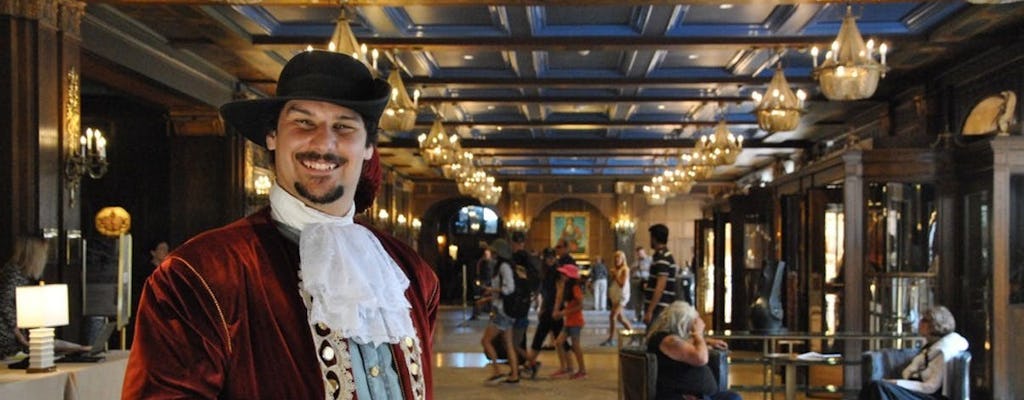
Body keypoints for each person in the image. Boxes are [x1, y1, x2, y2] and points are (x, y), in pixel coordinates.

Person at [123, 51, 439, 399]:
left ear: (368, 147)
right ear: (272, 135)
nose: (323, 143)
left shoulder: (410, 273)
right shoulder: (199, 275)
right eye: (303, 123)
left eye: (344, 126)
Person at [1, 235, 89, 359]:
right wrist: (18, 333)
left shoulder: (21, 273)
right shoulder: (14, 272)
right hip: (7, 336)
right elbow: (4, 303)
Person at [859, 305, 969, 400]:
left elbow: (930, 387)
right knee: (870, 386)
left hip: (928, 396)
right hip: (917, 390)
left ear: (936, 324)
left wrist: (896, 383)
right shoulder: (930, 346)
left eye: (925, 320)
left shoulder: (944, 350)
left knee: (879, 387)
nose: (920, 322)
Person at [646, 301, 739, 400]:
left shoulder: (669, 338)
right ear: (681, 323)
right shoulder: (668, 340)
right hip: (681, 395)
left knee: (733, 396)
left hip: (698, 394)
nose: (690, 330)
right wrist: (698, 334)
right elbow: (701, 358)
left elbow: (685, 342)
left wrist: (708, 341)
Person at [478, 239, 521, 384]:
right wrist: (489, 297)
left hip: (502, 311)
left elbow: (509, 289)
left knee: (486, 341)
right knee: (508, 344)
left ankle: (497, 371)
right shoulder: (502, 266)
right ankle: (514, 375)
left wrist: (492, 290)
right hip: (504, 310)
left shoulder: (504, 267)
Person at [525, 247, 563, 378]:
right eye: (548, 257)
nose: (550, 260)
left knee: (555, 339)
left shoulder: (557, 272)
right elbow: (545, 293)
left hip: (554, 310)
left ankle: (531, 365)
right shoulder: (545, 272)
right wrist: (541, 307)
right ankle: (531, 364)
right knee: (549, 339)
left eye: (552, 257)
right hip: (548, 309)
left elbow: (558, 292)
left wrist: (556, 309)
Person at [551, 264, 586, 380]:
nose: (562, 276)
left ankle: (582, 370)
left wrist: (564, 312)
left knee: (576, 346)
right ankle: (568, 368)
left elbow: (581, 305)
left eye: (564, 274)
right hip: (569, 321)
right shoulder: (566, 287)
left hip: (575, 321)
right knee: (559, 342)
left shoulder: (575, 288)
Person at [645, 224, 678, 325]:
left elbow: (660, 286)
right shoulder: (661, 256)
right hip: (660, 306)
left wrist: (650, 310)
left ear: (654, 238)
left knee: (655, 338)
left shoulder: (662, 258)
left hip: (660, 307)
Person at [601, 250, 633, 346]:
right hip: (615, 296)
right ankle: (633, 334)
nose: (616, 260)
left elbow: (622, 284)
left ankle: (611, 339)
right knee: (621, 318)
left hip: (622, 296)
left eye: (618, 258)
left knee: (613, 316)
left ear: (623, 259)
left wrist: (615, 275)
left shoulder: (625, 269)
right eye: (615, 258)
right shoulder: (616, 269)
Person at [472, 248, 496, 319]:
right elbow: (478, 272)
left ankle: (492, 312)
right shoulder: (480, 262)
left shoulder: (493, 262)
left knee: (491, 298)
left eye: (488, 254)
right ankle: (476, 313)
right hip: (483, 281)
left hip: (490, 281)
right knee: (479, 297)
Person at [634, 246, 651, 322]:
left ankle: (646, 315)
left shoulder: (650, 260)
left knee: (646, 299)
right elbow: (632, 270)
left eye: (640, 253)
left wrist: (643, 268)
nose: (639, 255)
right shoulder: (637, 261)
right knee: (638, 300)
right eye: (638, 254)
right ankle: (638, 315)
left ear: (644, 252)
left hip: (647, 281)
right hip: (638, 281)